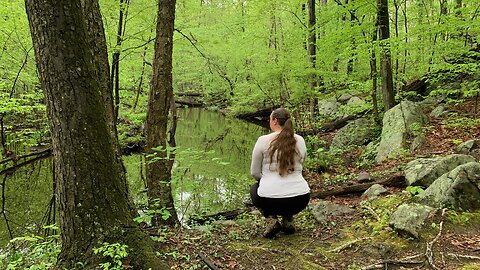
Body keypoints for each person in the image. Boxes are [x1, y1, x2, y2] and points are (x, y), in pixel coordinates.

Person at [250, 108, 310, 238]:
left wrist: (265, 180)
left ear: (275, 121)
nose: (269, 122)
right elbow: (301, 166)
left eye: (270, 119)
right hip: (301, 199)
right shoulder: (300, 140)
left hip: (270, 201)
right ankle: (288, 220)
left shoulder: (263, 140)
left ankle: (272, 220)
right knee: (290, 187)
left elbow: (254, 173)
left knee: (255, 188)